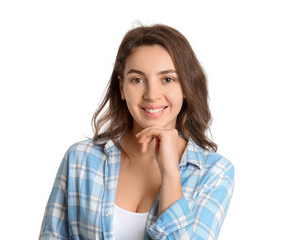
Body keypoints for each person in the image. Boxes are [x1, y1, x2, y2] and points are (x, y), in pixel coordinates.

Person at [39, 24, 234, 240]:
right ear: (122, 88)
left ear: (186, 86)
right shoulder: (80, 159)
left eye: (167, 79)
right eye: (137, 80)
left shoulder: (214, 172)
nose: (152, 94)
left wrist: (170, 173)